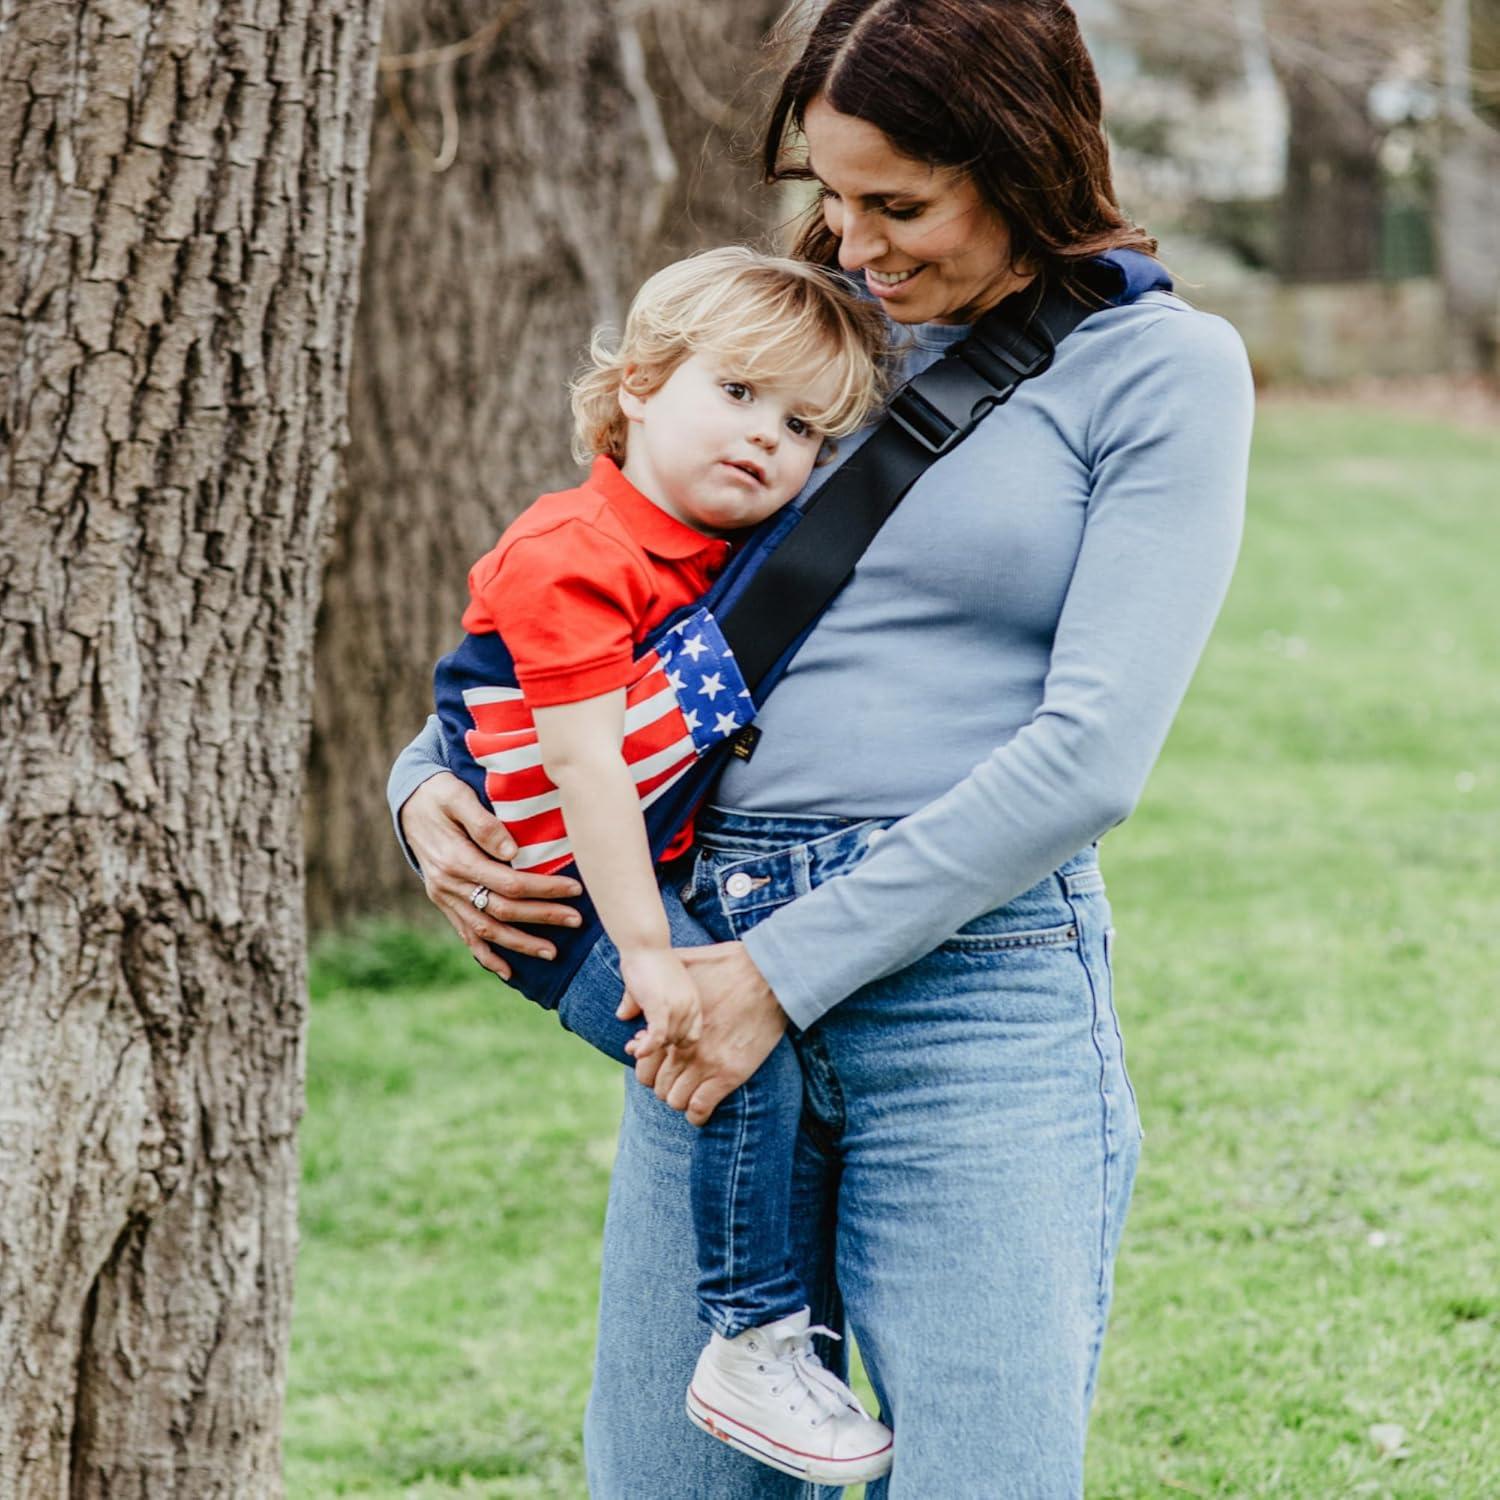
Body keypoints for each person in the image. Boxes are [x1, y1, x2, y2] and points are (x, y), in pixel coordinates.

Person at [387, 1, 1255, 1494]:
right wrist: (425, 790)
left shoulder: (1158, 373)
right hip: (710, 944)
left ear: (1023, 158)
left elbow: (1091, 757)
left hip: (966, 1000)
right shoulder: (789, 341)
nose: (853, 245)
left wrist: (769, 982)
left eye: (899, 204)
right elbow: (586, 587)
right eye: (832, 196)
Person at [430, 245, 894, 1485]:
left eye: (801, 425)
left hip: (636, 882)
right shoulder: (573, 551)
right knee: (727, 1069)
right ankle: (749, 1341)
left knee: (766, 1075)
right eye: (736, 393)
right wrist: (650, 954)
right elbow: (584, 768)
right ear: (636, 383)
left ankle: (775, 1339)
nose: (764, 438)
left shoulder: (705, 545)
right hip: (565, 899)